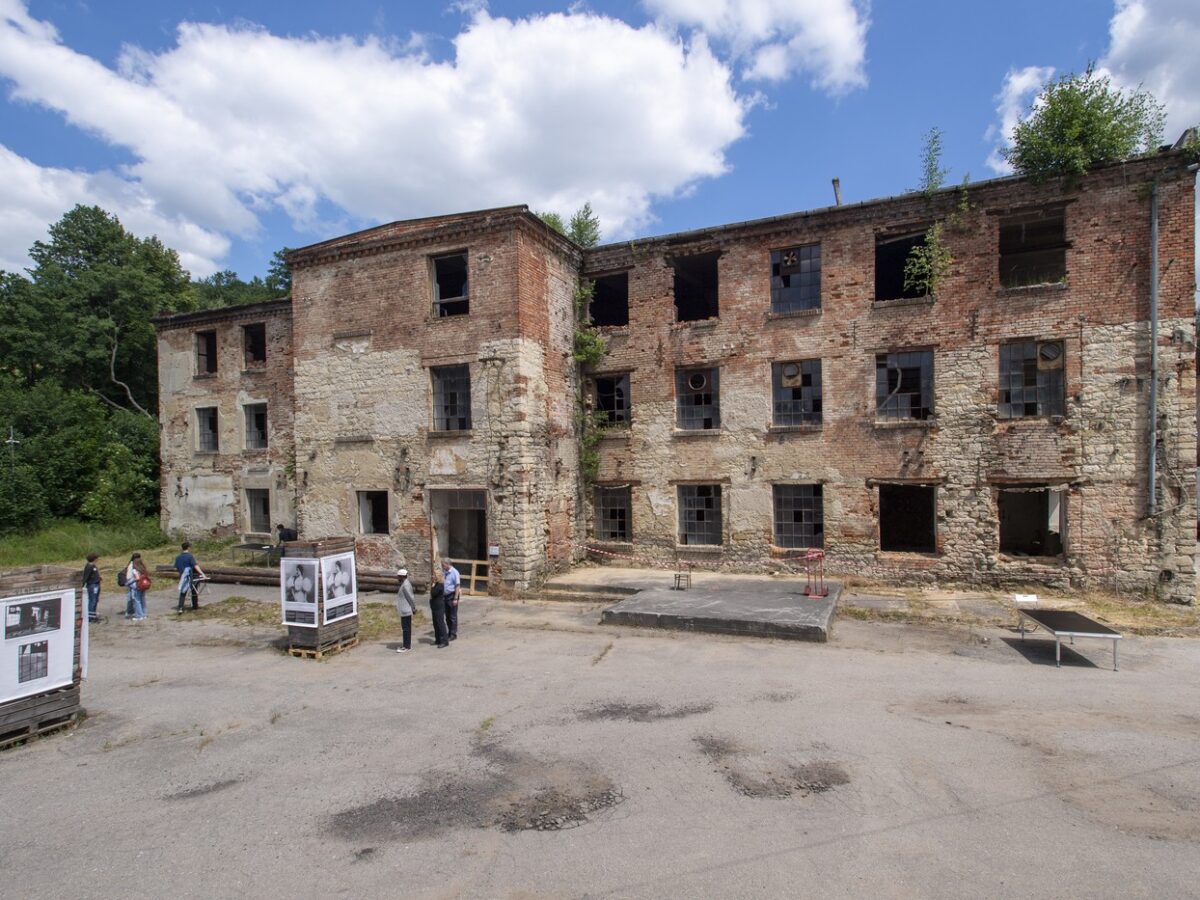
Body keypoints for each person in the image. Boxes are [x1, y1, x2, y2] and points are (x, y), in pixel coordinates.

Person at [173, 542, 206, 613]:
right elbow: (195, 566)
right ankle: (194, 606)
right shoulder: (190, 556)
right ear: (188, 548)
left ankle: (180, 608)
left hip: (183, 577)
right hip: (192, 576)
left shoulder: (178, 557)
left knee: (183, 592)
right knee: (194, 591)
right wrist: (202, 574)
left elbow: (176, 567)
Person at [395, 568, 415, 653]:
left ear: (402, 576)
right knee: (406, 628)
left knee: (406, 629)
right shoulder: (405, 583)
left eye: (398, 576)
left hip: (406, 610)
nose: (397, 578)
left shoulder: (405, 585)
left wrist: (413, 608)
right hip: (405, 610)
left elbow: (410, 598)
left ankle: (406, 646)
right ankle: (407, 645)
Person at [126, 553, 150, 622]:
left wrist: (128, 583)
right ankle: (144, 614)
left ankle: (139, 615)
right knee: (142, 600)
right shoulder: (142, 568)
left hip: (137, 586)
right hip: (144, 585)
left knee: (137, 601)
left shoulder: (134, 569)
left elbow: (135, 578)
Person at [441, 560, 461, 641]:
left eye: (443, 565)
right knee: (447, 616)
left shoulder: (455, 572)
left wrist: (455, 598)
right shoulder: (445, 572)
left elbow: (457, 586)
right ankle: (449, 632)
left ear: (447, 564)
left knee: (452, 616)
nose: (442, 566)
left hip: (452, 595)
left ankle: (453, 634)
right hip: (445, 596)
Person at [82, 553, 101, 623]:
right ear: (94, 559)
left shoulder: (93, 566)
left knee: (95, 600)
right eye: (97, 558)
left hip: (96, 584)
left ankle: (93, 615)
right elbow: (85, 577)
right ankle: (90, 617)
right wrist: (82, 585)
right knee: (92, 601)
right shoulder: (89, 566)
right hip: (92, 585)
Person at [429, 582, 449, 649]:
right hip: (434, 605)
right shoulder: (436, 584)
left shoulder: (439, 584)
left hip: (439, 605)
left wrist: (432, 585)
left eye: (434, 575)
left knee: (440, 623)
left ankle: (444, 641)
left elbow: (433, 593)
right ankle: (438, 639)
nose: (432, 577)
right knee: (435, 623)